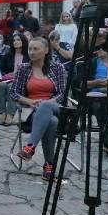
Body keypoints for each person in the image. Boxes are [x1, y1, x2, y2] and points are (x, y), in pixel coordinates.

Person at [10, 37, 66, 181]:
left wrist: (48, 102)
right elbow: (14, 93)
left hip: (56, 107)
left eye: (36, 49)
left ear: (46, 50)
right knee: (51, 122)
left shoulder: (57, 67)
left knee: (47, 107)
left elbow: (63, 93)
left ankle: (30, 146)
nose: (32, 52)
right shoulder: (23, 68)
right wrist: (30, 101)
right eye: (30, 49)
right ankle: (49, 166)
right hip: (32, 111)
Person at [0, 34, 30, 126]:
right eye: (14, 40)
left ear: (23, 41)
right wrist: (7, 75)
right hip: (8, 79)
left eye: (18, 40)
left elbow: (31, 71)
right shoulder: (8, 55)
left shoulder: (28, 55)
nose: (15, 42)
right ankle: (2, 112)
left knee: (12, 86)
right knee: (1, 85)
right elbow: (1, 71)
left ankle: (10, 114)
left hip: (23, 81)